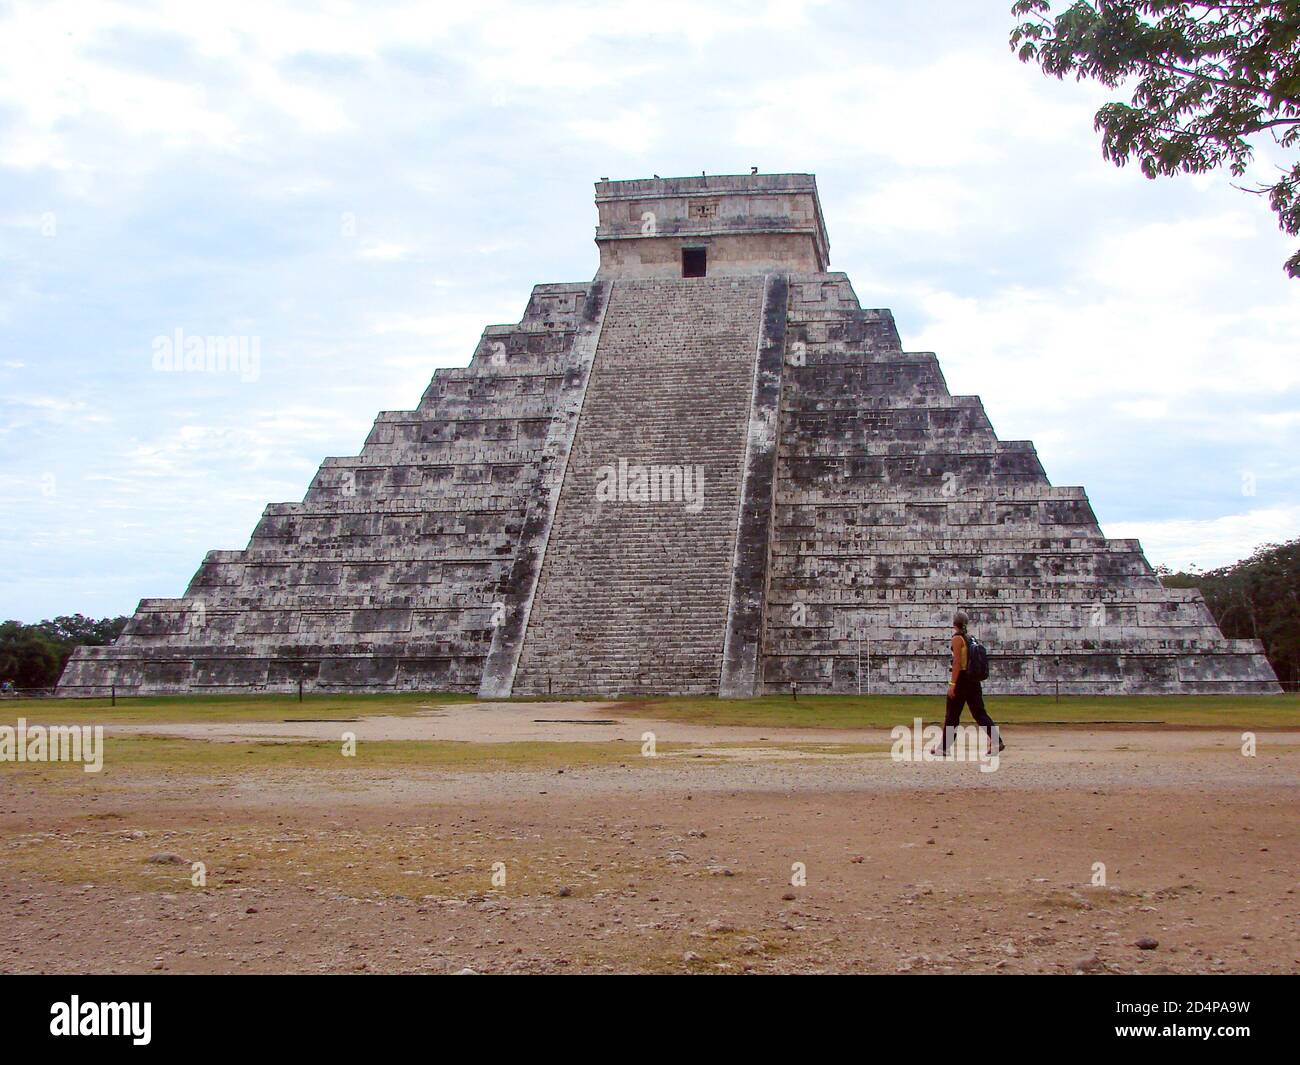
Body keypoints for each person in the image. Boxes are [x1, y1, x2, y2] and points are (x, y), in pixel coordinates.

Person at [936, 610, 1003, 756]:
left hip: (961, 680)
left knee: (952, 715)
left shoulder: (957, 639)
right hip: (973, 681)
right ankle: (997, 741)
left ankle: (943, 748)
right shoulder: (971, 638)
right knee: (980, 713)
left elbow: (957, 663)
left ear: (954, 624)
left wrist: (952, 685)